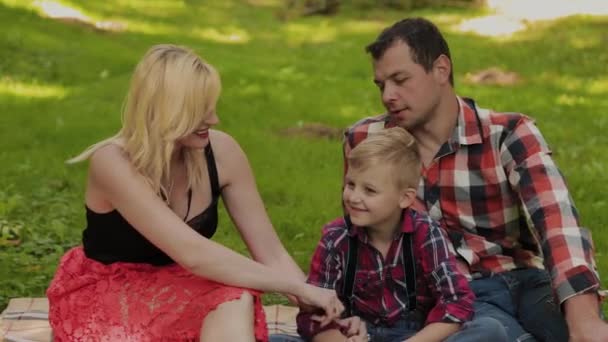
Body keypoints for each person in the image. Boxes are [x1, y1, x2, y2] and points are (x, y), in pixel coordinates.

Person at [46, 44, 343, 341]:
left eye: (212, 106)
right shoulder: (112, 162)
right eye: (199, 110)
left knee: (235, 297)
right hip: (109, 293)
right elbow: (194, 255)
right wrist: (298, 288)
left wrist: (326, 316)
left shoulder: (222, 152)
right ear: (166, 110)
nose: (213, 119)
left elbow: (272, 254)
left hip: (177, 286)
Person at [343, 17, 606, 342]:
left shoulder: (508, 134)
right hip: (451, 294)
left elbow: (558, 225)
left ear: (441, 69)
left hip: (523, 280)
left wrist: (584, 320)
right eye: (381, 85)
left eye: (400, 80)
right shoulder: (367, 140)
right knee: (490, 333)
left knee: (578, 330)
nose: (388, 96)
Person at [277, 127, 508, 342]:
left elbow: (457, 302)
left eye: (369, 190)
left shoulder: (427, 234)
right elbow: (313, 315)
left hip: (415, 336)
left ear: (405, 198)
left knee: (490, 329)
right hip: (357, 335)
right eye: (350, 184)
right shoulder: (335, 238)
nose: (354, 197)